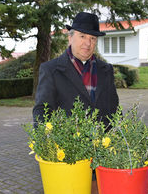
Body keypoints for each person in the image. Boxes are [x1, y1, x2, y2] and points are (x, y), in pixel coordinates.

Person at [33, 12, 119, 194]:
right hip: (69, 160)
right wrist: (48, 146)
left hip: (102, 163)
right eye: (82, 36)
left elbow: (114, 110)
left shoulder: (106, 70)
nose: (87, 43)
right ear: (70, 37)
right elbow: (41, 111)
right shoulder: (51, 70)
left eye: (93, 38)